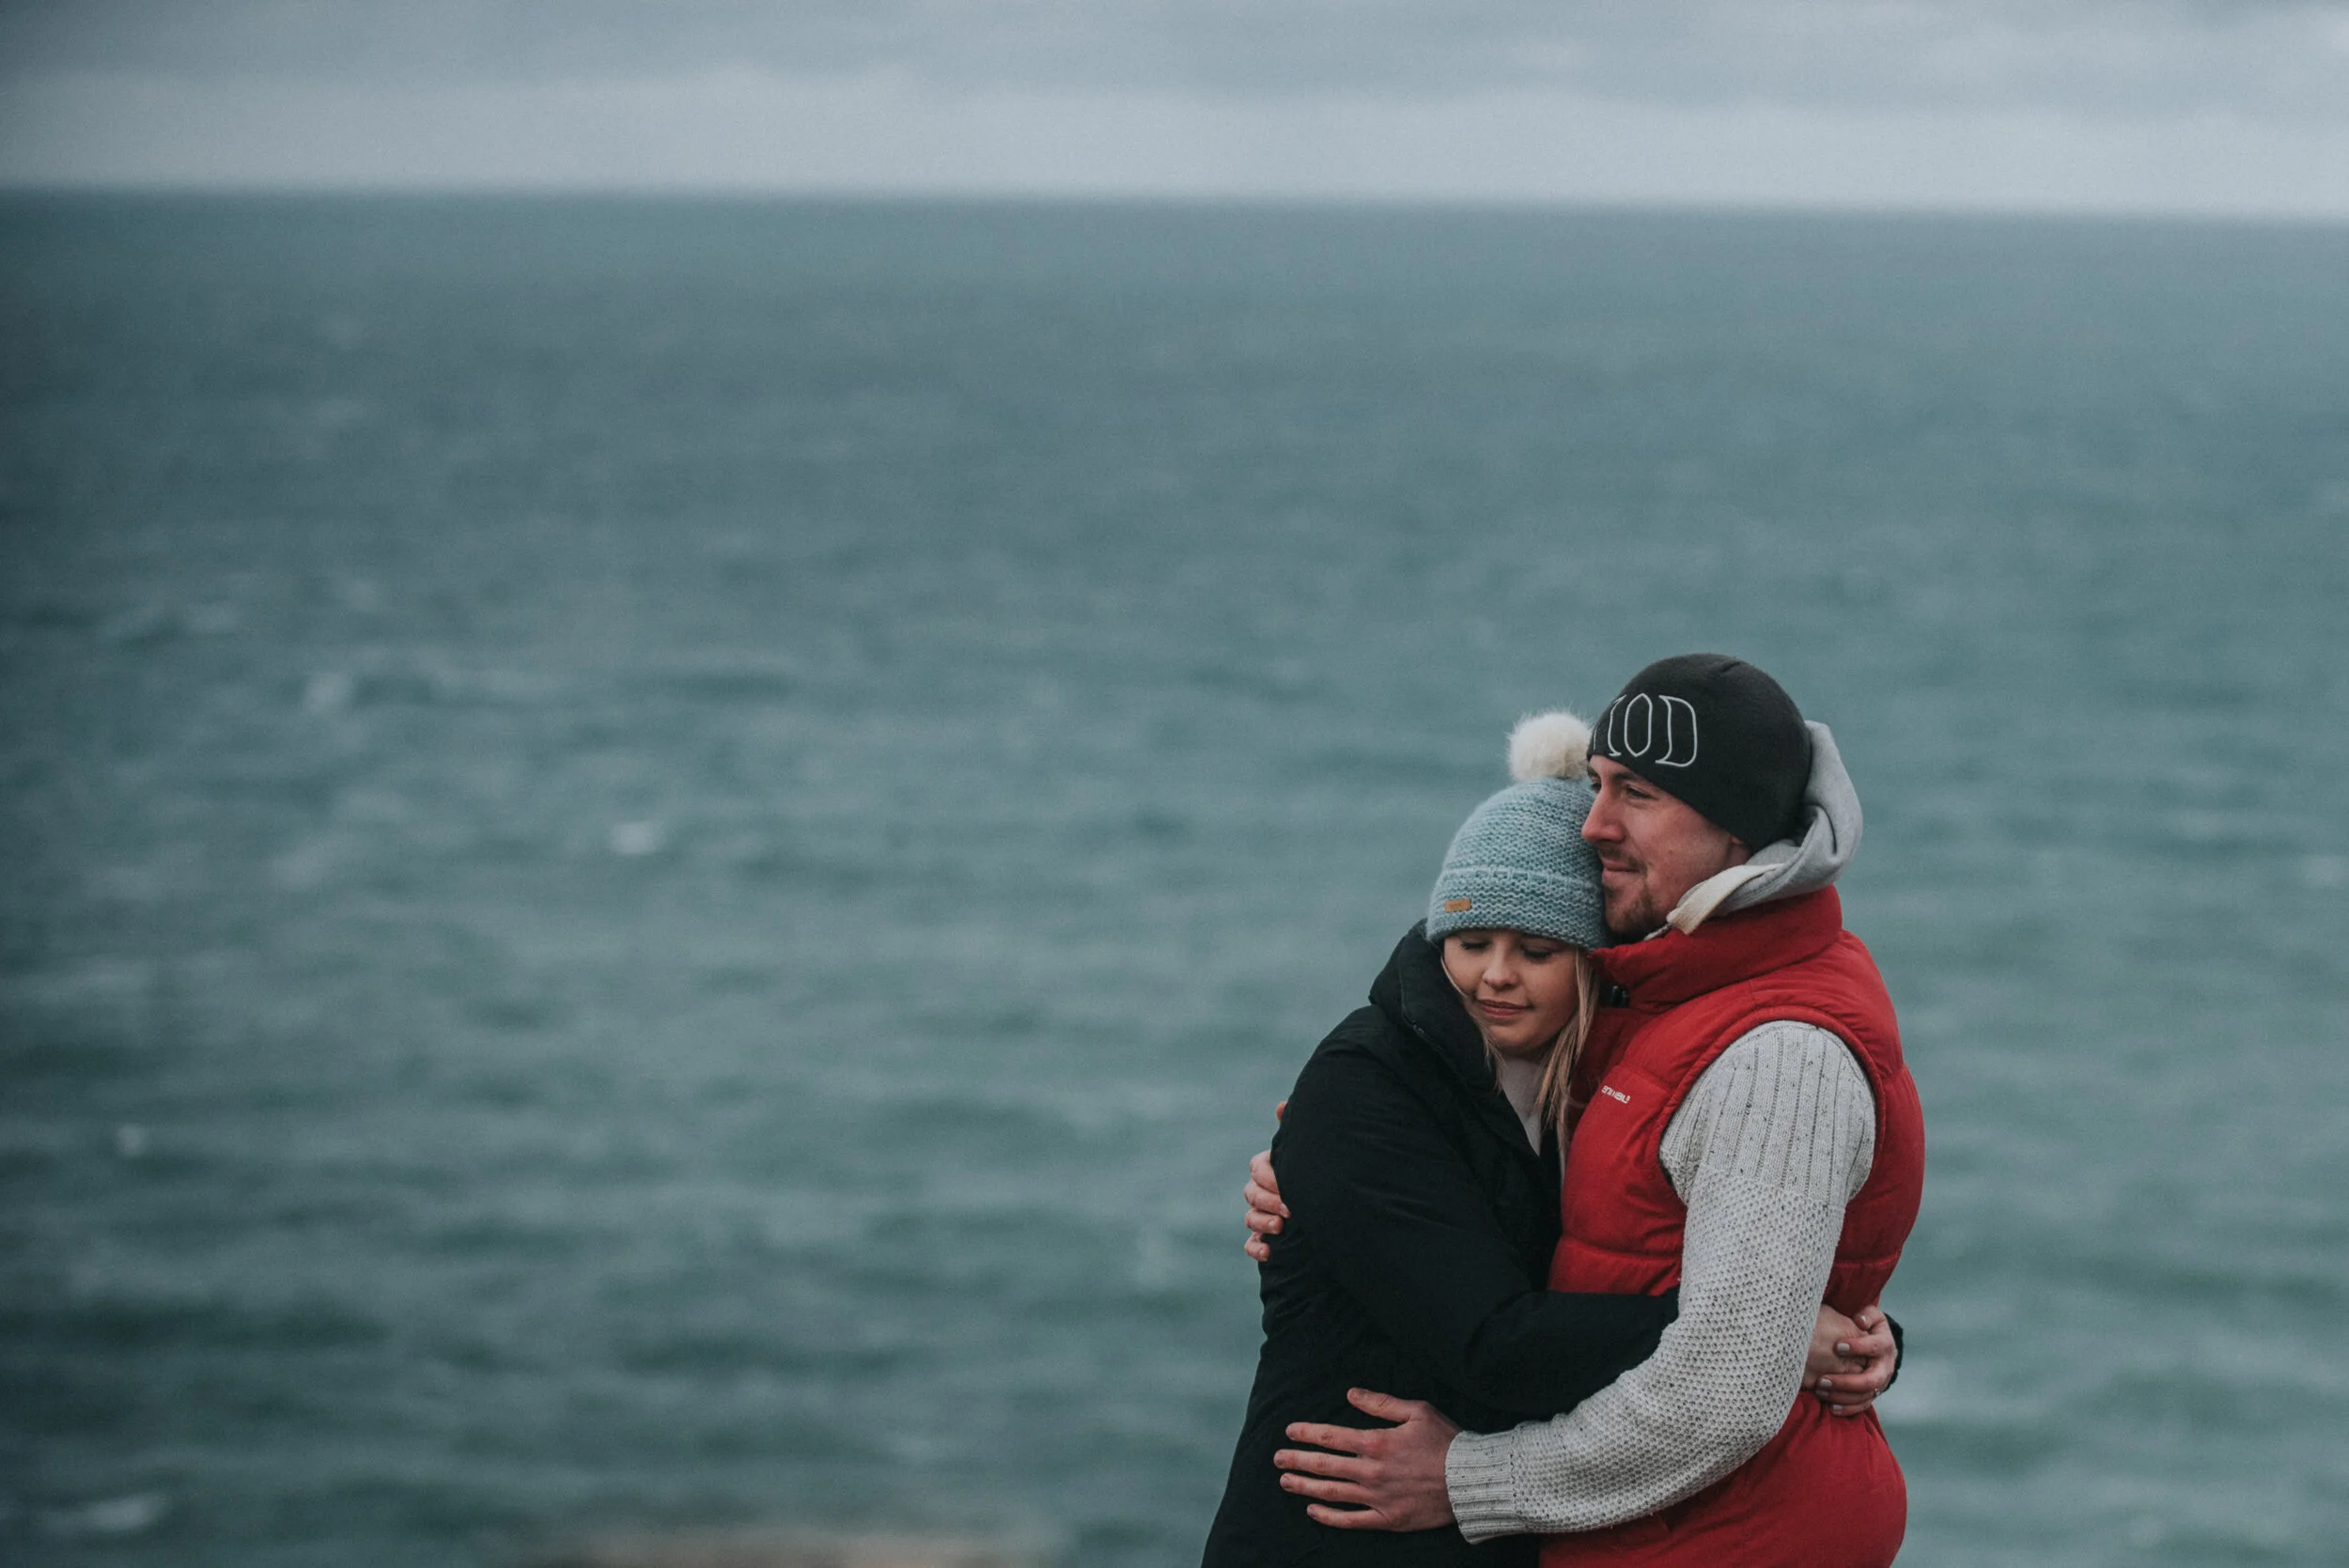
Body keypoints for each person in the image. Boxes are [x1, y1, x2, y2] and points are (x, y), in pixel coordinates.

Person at [1255, 655, 1925, 1568]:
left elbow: (1727, 1379)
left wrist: (1471, 1480)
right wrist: (1311, 1165)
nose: (1596, 820)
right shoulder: (1651, 1002)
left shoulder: (1774, 1049)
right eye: (1598, 783)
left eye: (1636, 794)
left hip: (1730, 1532)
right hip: (1628, 1523)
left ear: (1734, 827)